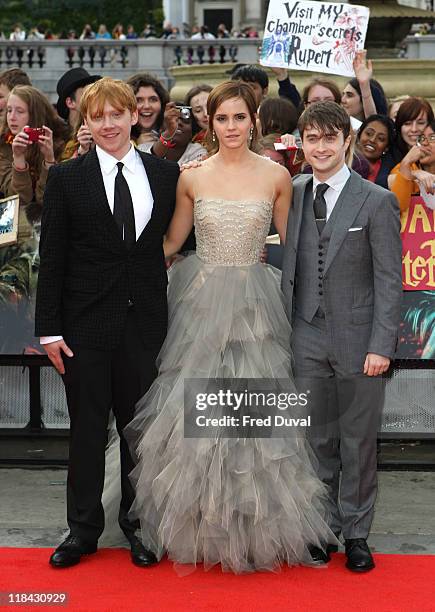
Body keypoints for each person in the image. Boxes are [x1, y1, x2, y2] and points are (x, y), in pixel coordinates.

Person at [123, 81, 337, 574]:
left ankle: (265, 523)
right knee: (190, 409)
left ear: (254, 120)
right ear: (210, 123)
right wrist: (116, 265)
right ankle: (187, 521)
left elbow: (296, 245)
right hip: (199, 300)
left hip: (257, 303)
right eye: (223, 119)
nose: (232, 127)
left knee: (258, 412)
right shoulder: (191, 176)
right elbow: (173, 241)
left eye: (240, 118)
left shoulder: (278, 175)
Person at [34, 77, 179, 569]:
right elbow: (50, 257)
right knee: (87, 433)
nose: (109, 124)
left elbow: (178, 242)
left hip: (144, 325)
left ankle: (137, 528)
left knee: (139, 434)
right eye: (98, 117)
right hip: (84, 328)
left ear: (134, 116)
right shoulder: (66, 179)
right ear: (86, 123)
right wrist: (49, 330)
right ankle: (82, 532)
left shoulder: (165, 175)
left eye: (117, 114)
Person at [281, 101, 403, 572]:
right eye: (312, 138)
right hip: (305, 333)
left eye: (330, 138)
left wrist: (381, 345)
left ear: (345, 141)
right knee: (314, 440)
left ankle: (356, 534)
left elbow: (389, 279)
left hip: (359, 340)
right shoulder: (292, 192)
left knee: (359, 442)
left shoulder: (376, 199)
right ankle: (320, 530)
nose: (321, 147)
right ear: (302, 144)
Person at [389, 119, 435, 213]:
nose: (425, 143)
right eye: (422, 138)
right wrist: (407, 163)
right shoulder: (403, 168)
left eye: (432, 138)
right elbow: (397, 208)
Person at [55, 68, 101, 159]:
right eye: (86, 93)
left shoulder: (102, 131)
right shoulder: (56, 141)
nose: (93, 97)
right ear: (70, 102)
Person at [126, 73, 169, 145]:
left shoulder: (174, 135)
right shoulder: (117, 138)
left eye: (153, 99)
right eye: (139, 100)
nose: (147, 106)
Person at [356, 114, 399, 188]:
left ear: (386, 147)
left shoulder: (389, 175)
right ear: (359, 135)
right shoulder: (342, 158)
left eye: (380, 138)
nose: (372, 140)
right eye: (369, 133)